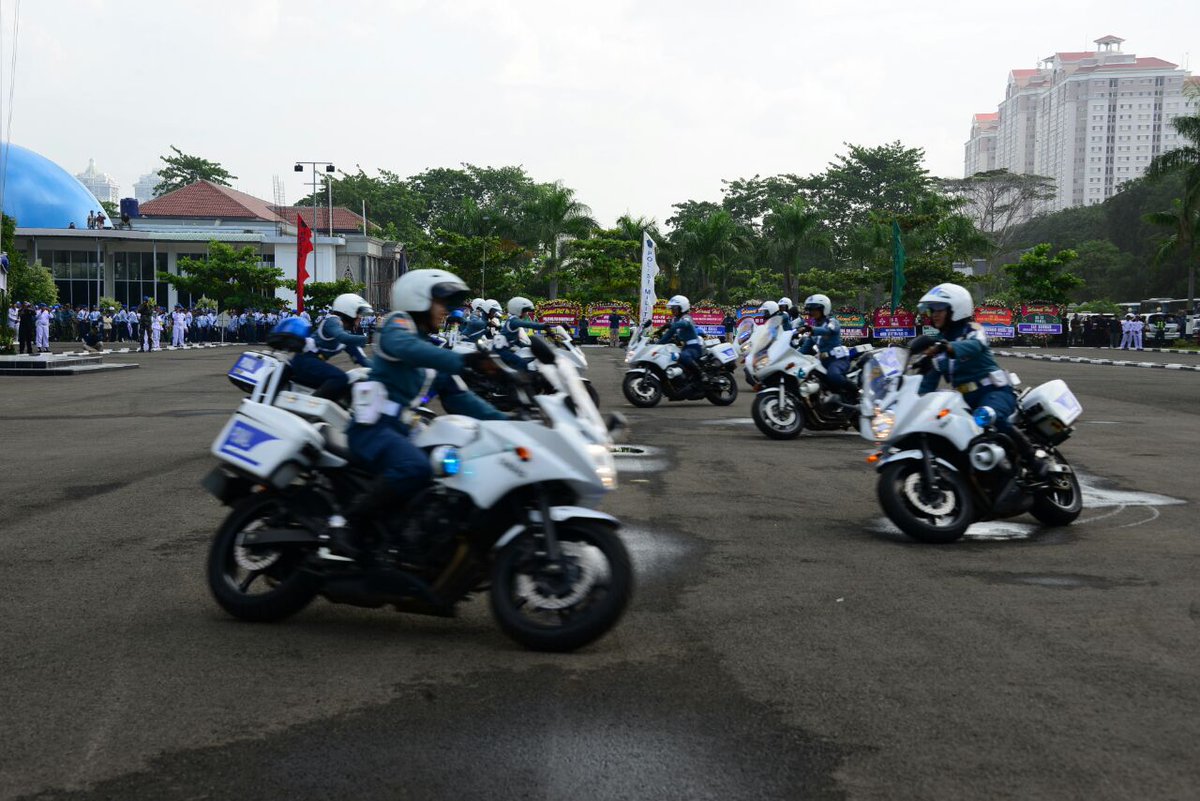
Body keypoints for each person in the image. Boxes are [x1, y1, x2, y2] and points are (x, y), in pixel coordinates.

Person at [337, 269, 506, 554]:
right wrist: (464, 360)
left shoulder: (428, 347)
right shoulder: (397, 325)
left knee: (453, 467)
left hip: (402, 430)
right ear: (418, 300)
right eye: (440, 303)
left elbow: (460, 398)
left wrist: (510, 422)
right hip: (374, 428)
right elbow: (402, 346)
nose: (446, 312)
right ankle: (346, 524)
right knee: (414, 467)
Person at [915, 282, 1048, 479]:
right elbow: (926, 387)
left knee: (990, 417)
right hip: (965, 402)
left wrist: (947, 348)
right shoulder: (938, 347)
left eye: (939, 309)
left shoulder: (972, 329)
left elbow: (975, 345)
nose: (934, 314)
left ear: (955, 309)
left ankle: (1033, 458)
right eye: (931, 310)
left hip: (994, 391)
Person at [288, 293, 373, 400]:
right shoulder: (332, 321)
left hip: (314, 364)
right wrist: (369, 339)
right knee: (340, 378)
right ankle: (312, 407)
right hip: (304, 360)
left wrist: (383, 372)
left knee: (349, 384)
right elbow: (341, 337)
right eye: (358, 314)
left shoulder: (347, 335)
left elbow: (363, 360)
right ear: (349, 311)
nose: (360, 318)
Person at [795, 294, 854, 401]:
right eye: (810, 310)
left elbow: (829, 331)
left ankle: (856, 392)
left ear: (824, 309)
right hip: (822, 362)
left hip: (837, 360)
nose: (811, 312)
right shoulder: (814, 329)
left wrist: (812, 329)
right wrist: (791, 355)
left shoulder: (832, 322)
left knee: (834, 375)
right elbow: (804, 348)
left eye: (815, 309)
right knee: (807, 377)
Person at [657, 295, 703, 390]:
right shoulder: (675, 320)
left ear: (682, 307)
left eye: (675, 308)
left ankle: (701, 375)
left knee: (683, 356)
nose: (673, 311)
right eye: (672, 309)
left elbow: (684, 324)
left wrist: (670, 325)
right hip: (685, 347)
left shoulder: (686, 318)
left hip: (694, 347)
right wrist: (656, 344)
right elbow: (669, 335)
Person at [495, 296, 550, 370]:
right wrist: (544, 326)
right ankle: (516, 380)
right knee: (522, 363)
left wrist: (528, 346)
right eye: (525, 311)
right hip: (501, 350)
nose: (526, 314)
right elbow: (528, 324)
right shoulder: (514, 321)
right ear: (518, 310)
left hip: (505, 347)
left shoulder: (513, 320)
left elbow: (515, 340)